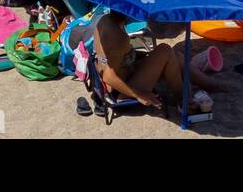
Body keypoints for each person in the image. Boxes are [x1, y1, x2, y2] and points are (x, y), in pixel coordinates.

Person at [89, 10, 221, 114]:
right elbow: (108, 75)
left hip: (115, 81)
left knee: (176, 55)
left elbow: (110, 60)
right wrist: (139, 94)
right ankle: (182, 99)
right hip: (121, 92)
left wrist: (141, 57)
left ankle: (210, 84)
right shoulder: (119, 38)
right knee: (165, 50)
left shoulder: (103, 21)